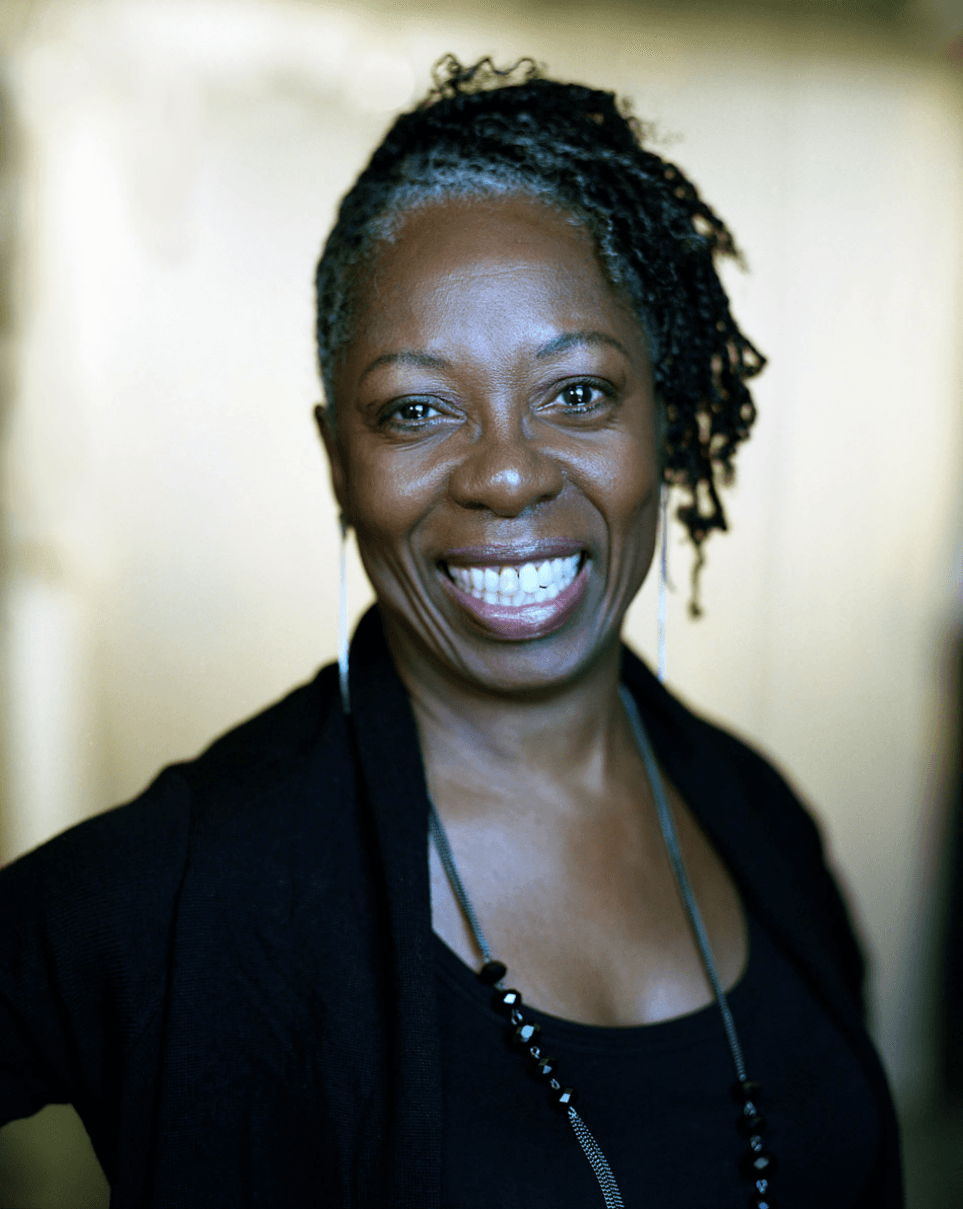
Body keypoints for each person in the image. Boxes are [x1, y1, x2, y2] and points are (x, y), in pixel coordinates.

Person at [0, 56, 901, 1208]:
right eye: (418, 409)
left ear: (661, 424)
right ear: (339, 460)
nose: (509, 472)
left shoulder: (760, 815)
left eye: (579, 392)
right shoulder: (188, 885)